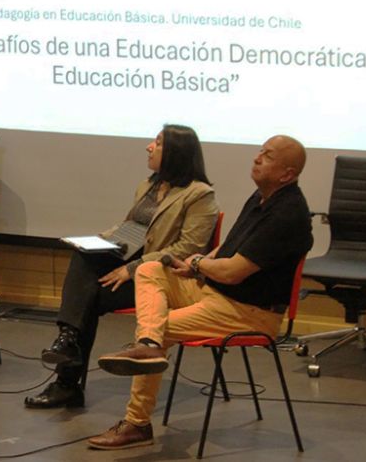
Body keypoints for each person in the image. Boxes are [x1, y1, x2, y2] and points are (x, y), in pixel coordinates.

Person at [88, 135, 313, 451]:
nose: (257, 158)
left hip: (248, 312)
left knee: (159, 326)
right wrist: (199, 265)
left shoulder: (287, 214)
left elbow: (233, 272)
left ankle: (137, 423)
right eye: (260, 151)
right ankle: (148, 345)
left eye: (268, 156)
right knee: (150, 270)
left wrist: (197, 263)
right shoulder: (261, 197)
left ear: (287, 174)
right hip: (214, 292)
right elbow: (229, 248)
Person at [25, 124, 218, 409]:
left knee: (86, 299)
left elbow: (187, 249)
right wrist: (98, 241)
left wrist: (133, 268)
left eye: (158, 142)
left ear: (176, 152)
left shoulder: (199, 194)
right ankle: (68, 343)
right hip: (128, 265)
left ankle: (67, 376)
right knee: (82, 259)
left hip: (163, 280)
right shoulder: (149, 185)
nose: (149, 147)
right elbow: (131, 227)